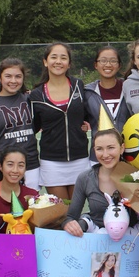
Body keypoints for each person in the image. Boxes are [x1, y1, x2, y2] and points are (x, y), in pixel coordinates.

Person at [29, 42, 90, 200]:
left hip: (80, 158)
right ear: (45, 61)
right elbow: (33, 127)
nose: (58, 61)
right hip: (52, 162)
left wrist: (86, 122)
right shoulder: (36, 95)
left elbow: (87, 112)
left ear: (69, 64)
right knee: (62, 213)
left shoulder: (78, 85)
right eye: (53, 57)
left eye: (63, 58)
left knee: (76, 210)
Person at [0, 58, 40, 190]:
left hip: (31, 166)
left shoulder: (29, 100)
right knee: (6, 209)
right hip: (5, 168)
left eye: (18, 76)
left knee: (32, 207)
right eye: (8, 76)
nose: (13, 81)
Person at [84, 46, 132, 164]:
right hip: (100, 156)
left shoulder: (129, 88)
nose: (108, 64)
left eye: (113, 61)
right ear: (96, 65)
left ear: (119, 65)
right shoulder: (87, 92)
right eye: (103, 60)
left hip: (129, 154)